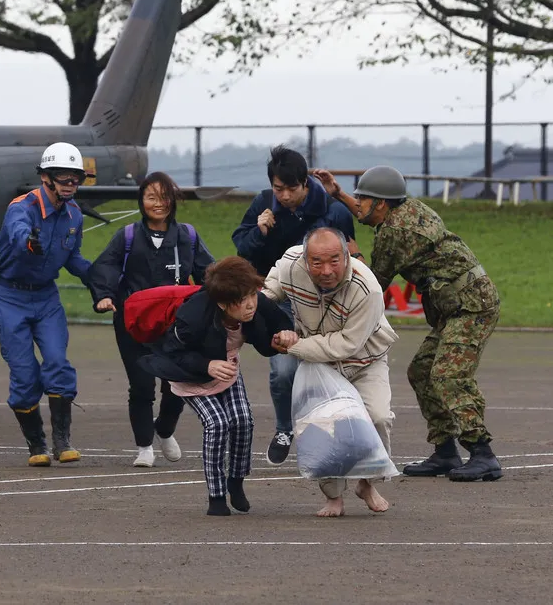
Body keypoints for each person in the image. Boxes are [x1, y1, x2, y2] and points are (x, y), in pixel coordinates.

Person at [312, 166, 503, 482]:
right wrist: (338, 194)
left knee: (447, 375)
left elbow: (375, 283)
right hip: (455, 306)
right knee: (422, 371)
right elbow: (365, 214)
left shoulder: (397, 234)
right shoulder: (406, 209)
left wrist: (331, 291)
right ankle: (445, 452)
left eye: (363, 199)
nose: (358, 205)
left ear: (382, 204)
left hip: (471, 307)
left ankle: (482, 453)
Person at [231, 145, 356, 467]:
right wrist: (259, 231)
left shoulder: (332, 211)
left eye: (291, 188)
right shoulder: (263, 204)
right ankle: (285, 429)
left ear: (305, 183)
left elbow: (351, 257)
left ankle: (331, 429)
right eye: (278, 188)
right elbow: (242, 248)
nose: (284, 196)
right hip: (280, 299)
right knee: (284, 370)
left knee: (329, 368)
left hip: (325, 302)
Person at [140, 256, 294, 516]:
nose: (250, 305)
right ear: (222, 303)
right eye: (241, 301)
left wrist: (285, 334)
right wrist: (206, 365)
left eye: (252, 296)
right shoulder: (193, 316)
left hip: (227, 367)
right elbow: (172, 353)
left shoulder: (254, 300)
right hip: (190, 375)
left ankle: (236, 481)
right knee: (217, 423)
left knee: (243, 419)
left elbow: (279, 321)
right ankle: (216, 495)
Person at [262, 227, 399, 517]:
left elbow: (346, 345)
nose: (326, 270)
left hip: (364, 361)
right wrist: (262, 319)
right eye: (317, 262)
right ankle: (334, 496)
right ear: (305, 259)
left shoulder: (367, 288)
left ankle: (367, 483)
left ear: (346, 256)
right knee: (320, 424)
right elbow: (267, 293)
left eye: (334, 261)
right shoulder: (290, 265)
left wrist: (295, 346)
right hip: (317, 363)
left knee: (378, 417)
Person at [87, 171, 214, 467]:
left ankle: (165, 429)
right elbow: (105, 265)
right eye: (151, 197)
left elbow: (209, 271)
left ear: (173, 200)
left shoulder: (188, 236)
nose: (158, 203)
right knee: (141, 385)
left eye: (164, 197)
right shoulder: (127, 236)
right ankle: (144, 446)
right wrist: (103, 296)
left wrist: (220, 295)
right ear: (141, 200)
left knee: (176, 383)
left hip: (176, 325)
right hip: (134, 323)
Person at [0, 142, 92, 467]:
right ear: (46, 177)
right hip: (9, 296)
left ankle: (63, 441)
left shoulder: (75, 213)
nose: (70, 183)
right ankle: (36, 444)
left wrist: (104, 277)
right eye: (64, 177)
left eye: (75, 178)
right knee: (24, 374)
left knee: (58, 363)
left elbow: (74, 259)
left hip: (46, 296)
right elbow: (19, 232)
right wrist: (28, 242)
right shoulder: (21, 207)